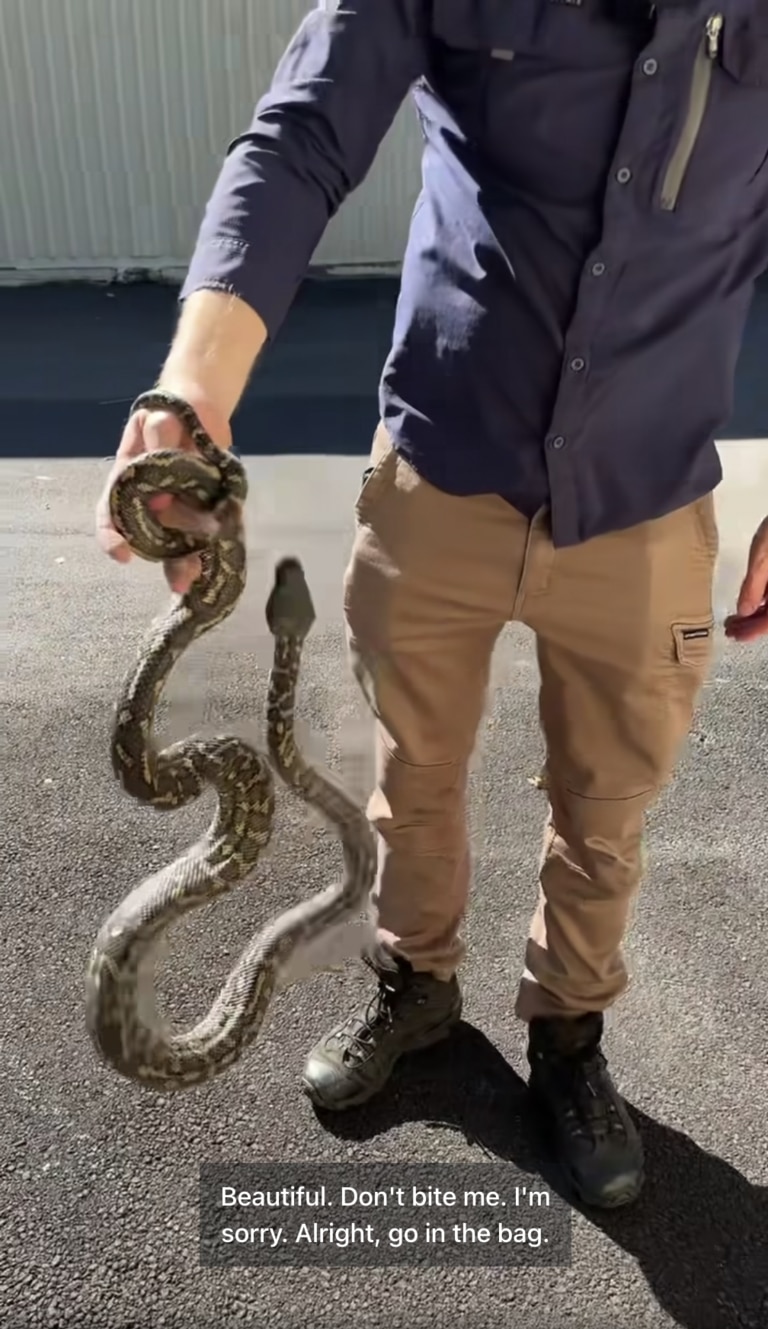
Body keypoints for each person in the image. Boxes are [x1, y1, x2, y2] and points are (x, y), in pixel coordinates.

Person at [96, 0, 768, 1209]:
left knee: (607, 807)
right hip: (441, 472)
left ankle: (570, 1039)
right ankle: (416, 984)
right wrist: (191, 396)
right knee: (413, 772)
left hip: (645, 502)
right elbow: (303, 135)